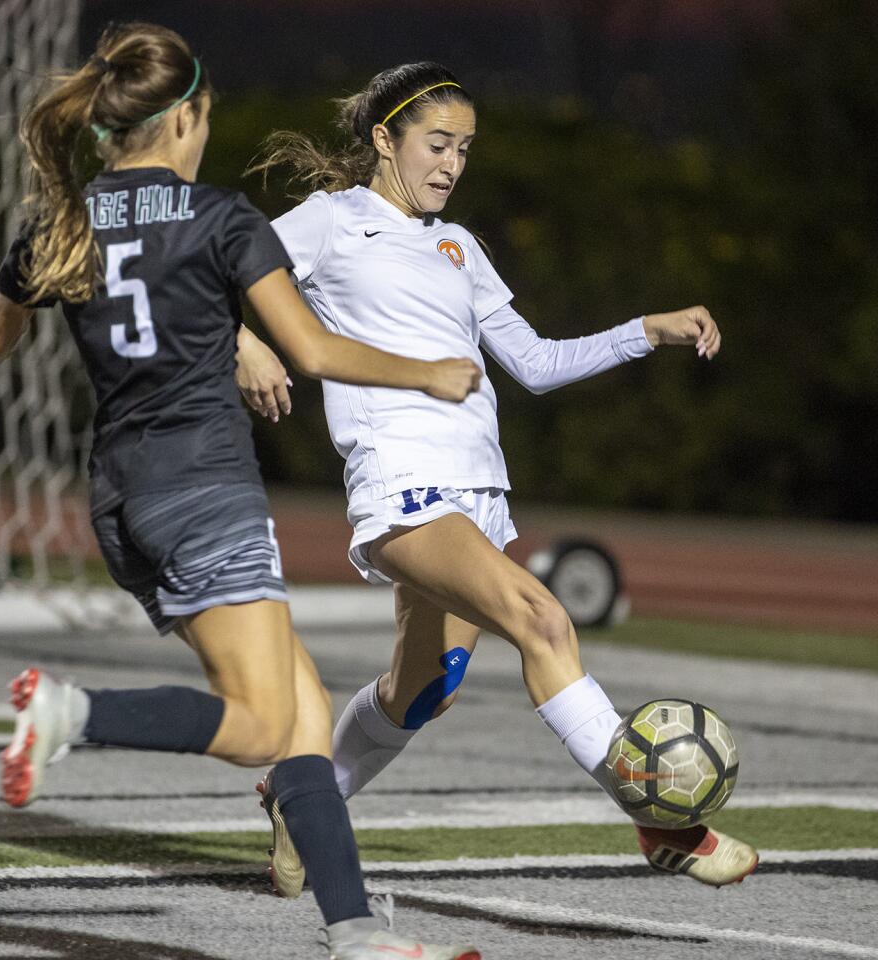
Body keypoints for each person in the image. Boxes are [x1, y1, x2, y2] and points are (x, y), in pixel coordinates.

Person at [0, 27, 483, 960]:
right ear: (184, 118)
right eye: (205, 118)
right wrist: (428, 372)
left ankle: (353, 931)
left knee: (304, 713)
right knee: (265, 721)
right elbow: (312, 352)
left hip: (121, 504)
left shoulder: (64, 224)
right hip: (206, 493)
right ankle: (72, 712)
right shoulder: (221, 219)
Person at [243, 61, 758, 891]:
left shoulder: (456, 245)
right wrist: (245, 341)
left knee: (421, 694)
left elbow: (535, 362)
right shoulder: (329, 221)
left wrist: (644, 331)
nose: (451, 165)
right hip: (402, 482)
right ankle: (666, 825)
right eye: (436, 144)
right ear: (385, 138)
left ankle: (303, 795)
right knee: (543, 622)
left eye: (464, 150)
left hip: (477, 495)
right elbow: (213, 267)